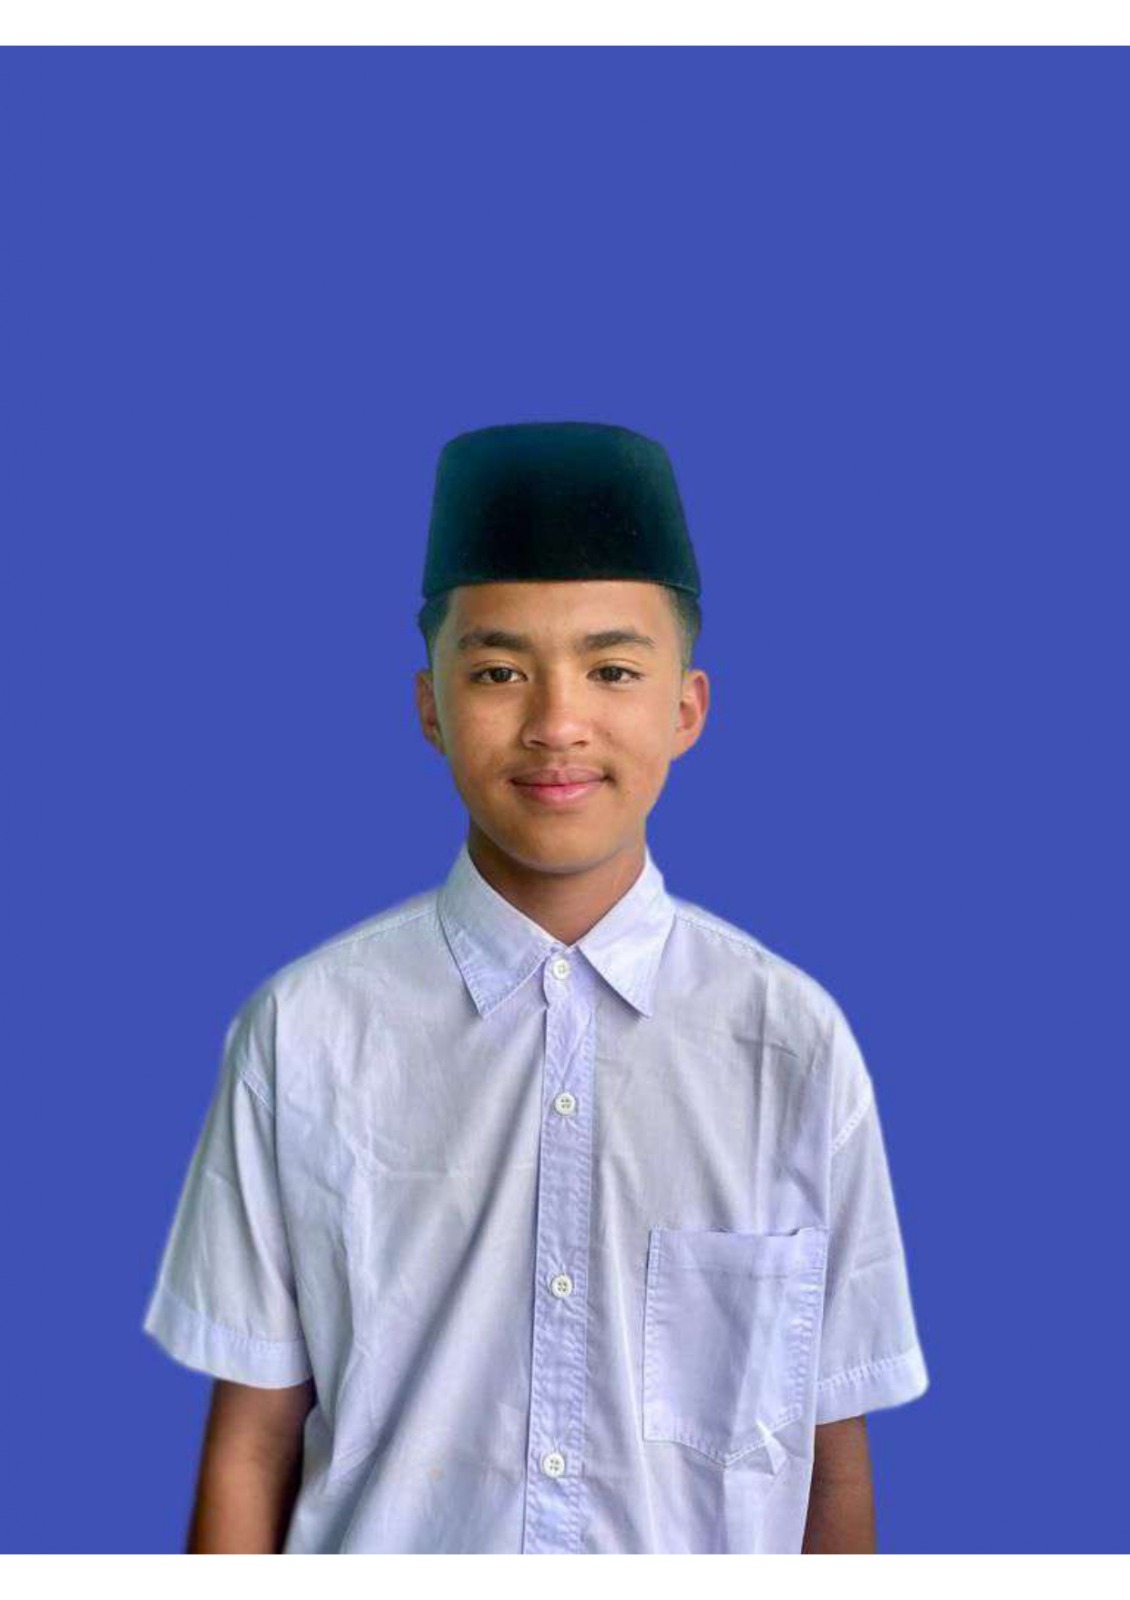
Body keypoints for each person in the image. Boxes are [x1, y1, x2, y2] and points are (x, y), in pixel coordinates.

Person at [141, 420, 929, 1554]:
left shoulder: (788, 1043)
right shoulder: (304, 1032)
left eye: (612, 670)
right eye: (500, 672)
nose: (557, 722)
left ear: (686, 708)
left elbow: (830, 1461)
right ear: (430, 705)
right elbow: (251, 1445)